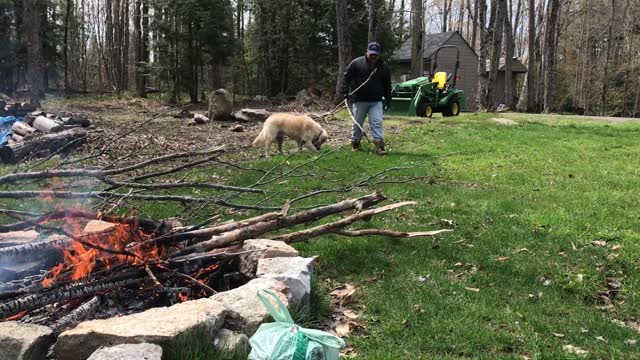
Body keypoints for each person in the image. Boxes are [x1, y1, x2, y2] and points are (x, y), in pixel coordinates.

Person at [341, 41, 392, 155]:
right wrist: (344, 91)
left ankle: (379, 146)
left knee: (377, 122)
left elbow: (387, 84)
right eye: (371, 54)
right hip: (359, 100)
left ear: (379, 54)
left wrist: (388, 98)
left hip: (376, 101)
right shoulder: (356, 63)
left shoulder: (383, 67)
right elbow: (346, 77)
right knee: (357, 123)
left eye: (376, 54)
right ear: (367, 52)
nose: (373, 56)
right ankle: (356, 143)